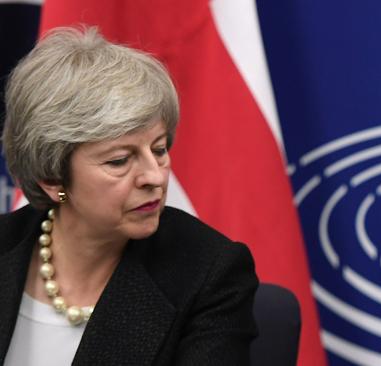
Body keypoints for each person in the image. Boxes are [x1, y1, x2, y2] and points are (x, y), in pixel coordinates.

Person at [0, 26, 258, 365]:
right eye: (119, 161)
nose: (154, 176)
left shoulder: (210, 274)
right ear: (52, 178)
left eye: (160, 149)